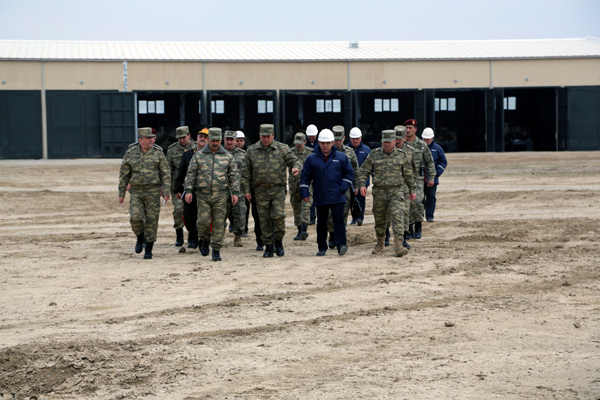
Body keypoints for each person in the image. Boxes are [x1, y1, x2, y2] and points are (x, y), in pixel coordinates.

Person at [242, 124, 300, 258]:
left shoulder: (282, 149)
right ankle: (268, 246)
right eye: (263, 136)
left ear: (273, 135)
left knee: (278, 216)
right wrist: (246, 190)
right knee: (264, 219)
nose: (266, 139)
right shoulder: (251, 151)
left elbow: (294, 160)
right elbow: (245, 173)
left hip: (277, 189)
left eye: (268, 136)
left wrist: (296, 167)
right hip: (260, 190)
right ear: (259, 136)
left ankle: (278, 242)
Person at [357, 130, 416, 257]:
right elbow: (363, 171)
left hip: (397, 191)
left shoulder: (402, 155)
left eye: (389, 142)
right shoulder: (374, 154)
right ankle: (380, 243)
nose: (387, 145)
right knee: (380, 219)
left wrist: (412, 190)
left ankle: (399, 245)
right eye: (384, 142)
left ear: (395, 141)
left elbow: (408, 174)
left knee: (397, 216)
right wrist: (362, 184)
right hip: (379, 192)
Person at [184, 127, 239, 261]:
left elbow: (234, 176)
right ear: (208, 140)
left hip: (221, 195)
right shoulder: (199, 155)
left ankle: (216, 249)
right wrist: (189, 190)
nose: (215, 143)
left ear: (221, 140)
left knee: (219, 223)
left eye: (217, 140)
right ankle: (204, 239)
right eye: (212, 140)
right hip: (202, 195)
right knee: (203, 222)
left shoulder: (227, 156)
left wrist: (235, 192)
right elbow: (191, 174)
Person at [118, 127, 171, 260]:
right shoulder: (131, 152)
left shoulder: (158, 152)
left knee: (152, 221)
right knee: (135, 218)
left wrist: (166, 190)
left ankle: (149, 248)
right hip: (136, 191)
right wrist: (121, 193)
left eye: (152, 137)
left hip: (153, 191)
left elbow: (165, 173)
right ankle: (140, 236)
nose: (152, 140)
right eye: (148, 138)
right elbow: (124, 174)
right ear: (140, 140)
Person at [300, 129, 354, 256]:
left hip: (338, 196)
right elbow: (305, 176)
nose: (325, 145)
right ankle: (322, 247)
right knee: (322, 222)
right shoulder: (311, 159)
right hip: (320, 195)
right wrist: (304, 193)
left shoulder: (341, 157)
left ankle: (341, 245)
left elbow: (349, 173)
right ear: (319, 143)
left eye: (328, 143)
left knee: (338, 221)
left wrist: (342, 188)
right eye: (323, 143)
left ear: (332, 143)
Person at [174, 124, 210, 250]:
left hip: (207, 193)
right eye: (201, 136)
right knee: (189, 220)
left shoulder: (214, 155)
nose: (203, 138)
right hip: (191, 192)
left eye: (206, 137)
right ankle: (193, 236)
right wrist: (177, 189)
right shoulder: (188, 154)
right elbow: (181, 173)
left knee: (205, 220)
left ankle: (203, 240)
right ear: (196, 138)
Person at [327, 125, 359, 249]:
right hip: (329, 188)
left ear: (344, 138)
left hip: (344, 189)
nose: (338, 142)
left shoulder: (350, 153)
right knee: (330, 215)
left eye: (340, 139)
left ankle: (341, 236)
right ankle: (332, 235)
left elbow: (355, 170)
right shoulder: (326, 152)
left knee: (343, 214)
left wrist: (357, 185)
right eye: (336, 139)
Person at [404, 119, 435, 239]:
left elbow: (430, 162)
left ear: (415, 129)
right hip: (404, 181)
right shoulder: (401, 144)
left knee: (417, 203)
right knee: (406, 205)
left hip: (418, 180)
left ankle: (418, 227)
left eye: (410, 128)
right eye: (406, 127)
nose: (408, 130)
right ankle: (408, 230)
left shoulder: (421, 145)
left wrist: (431, 177)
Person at [166, 126, 196, 247]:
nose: (182, 140)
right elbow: (167, 170)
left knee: (193, 213)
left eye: (183, 137)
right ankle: (179, 234)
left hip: (193, 187)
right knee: (178, 211)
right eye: (179, 138)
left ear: (189, 135)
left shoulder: (198, 147)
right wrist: (170, 188)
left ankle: (192, 236)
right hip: (179, 187)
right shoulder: (172, 150)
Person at [223, 130, 247, 247]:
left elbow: (247, 173)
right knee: (220, 215)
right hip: (221, 191)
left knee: (240, 214)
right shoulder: (218, 154)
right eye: (227, 139)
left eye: (231, 139)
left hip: (238, 191)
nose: (229, 142)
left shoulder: (242, 155)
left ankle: (238, 237)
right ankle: (219, 237)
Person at [288, 132, 313, 240]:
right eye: (296, 143)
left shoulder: (311, 153)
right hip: (294, 184)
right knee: (296, 207)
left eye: (300, 143)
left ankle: (304, 229)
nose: (298, 145)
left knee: (306, 205)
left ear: (305, 142)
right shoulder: (289, 152)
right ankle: (299, 230)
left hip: (307, 184)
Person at [421, 127, 447, 222]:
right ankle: (419, 216)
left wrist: (436, 175)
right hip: (419, 178)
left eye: (428, 139)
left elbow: (443, 162)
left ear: (432, 138)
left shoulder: (437, 149)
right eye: (424, 139)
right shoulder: (418, 147)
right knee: (419, 198)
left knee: (431, 197)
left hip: (432, 179)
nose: (426, 141)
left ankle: (429, 216)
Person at [348, 127, 371, 226]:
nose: (355, 140)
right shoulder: (346, 150)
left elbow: (371, 165)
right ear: (349, 138)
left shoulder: (366, 150)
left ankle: (360, 218)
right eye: (353, 138)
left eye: (357, 138)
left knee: (361, 198)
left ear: (361, 138)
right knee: (351, 199)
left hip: (362, 179)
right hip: (349, 179)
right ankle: (354, 217)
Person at [305, 124, 319, 224]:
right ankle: (312, 217)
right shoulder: (304, 144)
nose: (311, 137)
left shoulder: (321, 144)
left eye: (313, 135)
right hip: (309, 174)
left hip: (318, 173)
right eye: (310, 136)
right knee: (309, 197)